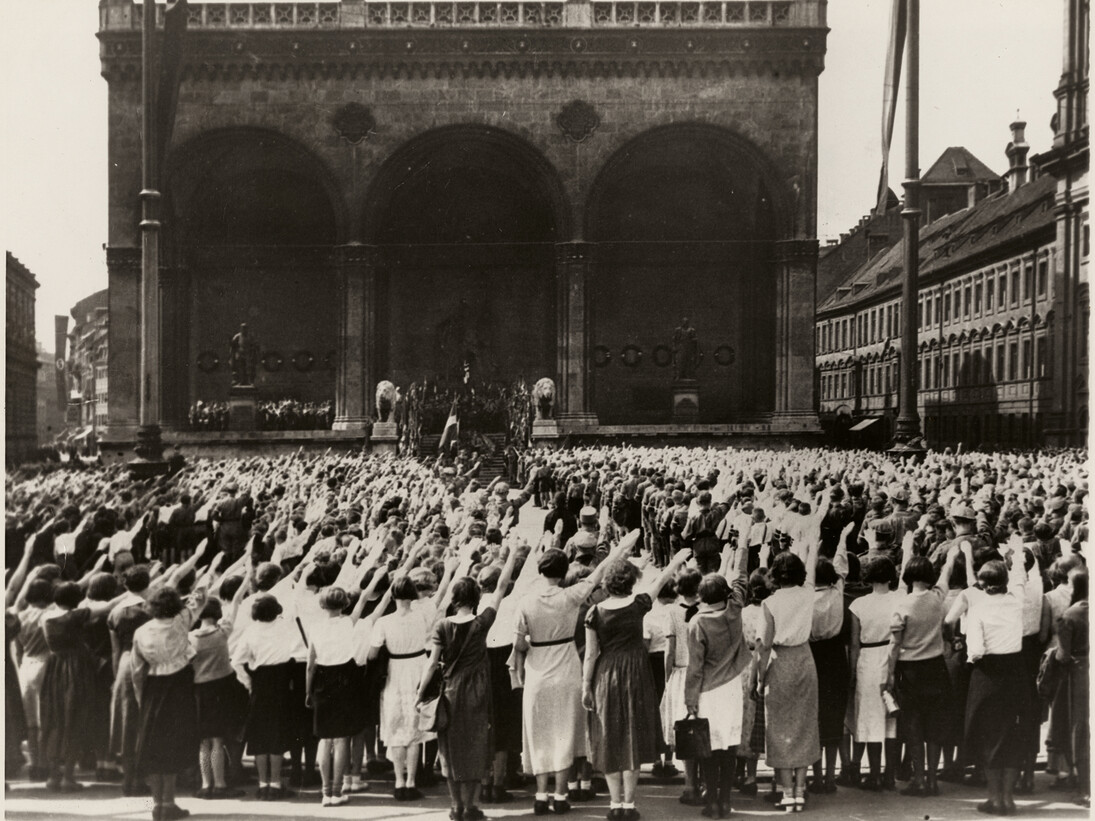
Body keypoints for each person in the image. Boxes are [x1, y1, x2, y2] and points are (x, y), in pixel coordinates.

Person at [514, 531, 637, 816]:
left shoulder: (526, 601)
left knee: (539, 732)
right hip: (566, 665)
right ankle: (560, 794)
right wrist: (621, 548)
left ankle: (541, 794)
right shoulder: (570, 596)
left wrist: (532, 645)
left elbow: (518, 643)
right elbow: (599, 573)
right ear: (563, 571)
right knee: (564, 731)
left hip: (537, 669)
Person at [584, 549, 691, 820]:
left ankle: (614, 803)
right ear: (631, 581)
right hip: (635, 672)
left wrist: (586, 685)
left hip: (607, 673)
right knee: (631, 735)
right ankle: (629, 804)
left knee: (610, 736)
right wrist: (676, 560)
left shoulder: (594, 612)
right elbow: (661, 580)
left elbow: (591, 654)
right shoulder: (639, 604)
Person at [417, 543, 518, 821]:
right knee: (476, 747)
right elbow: (501, 588)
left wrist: (420, 694)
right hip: (478, 691)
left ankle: (456, 806)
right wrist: (512, 555)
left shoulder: (442, 626)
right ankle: (471, 806)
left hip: (450, 690)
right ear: (476, 597)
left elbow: (431, 664)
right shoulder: (481, 623)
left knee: (450, 749)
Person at [131, 569, 213, 821]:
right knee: (174, 745)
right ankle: (169, 802)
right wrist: (206, 576)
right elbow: (201, 598)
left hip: (153, 687)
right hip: (178, 686)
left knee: (153, 747)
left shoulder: (141, 631)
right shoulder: (181, 621)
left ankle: (157, 804)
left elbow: (137, 670)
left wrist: (141, 697)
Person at [961, 535, 1032, 816]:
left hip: (988, 673)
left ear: (981, 584)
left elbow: (976, 649)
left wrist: (970, 658)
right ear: (1004, 582)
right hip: (1015, 671)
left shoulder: (978, 609)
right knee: (1013, 735)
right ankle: (1008, 798)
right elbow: (1020, 579)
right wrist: (1015, 553)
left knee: (989, 735)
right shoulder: (1016, 602)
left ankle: (994, 798)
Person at [885, 539, 960, 797]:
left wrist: (889, 674)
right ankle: (932, 779)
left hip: (910, 671)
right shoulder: (938, 598)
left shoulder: (902, 605)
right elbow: (946, 573)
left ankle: (918, 779)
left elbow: (895, 644)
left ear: (907, 576)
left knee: (914, 726)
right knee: (935, 726)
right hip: (936, 667)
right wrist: (952, 555)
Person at [40, 580, 126, 791]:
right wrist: (131, 593)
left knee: (55, 720)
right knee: (74, 719)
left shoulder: (46, 616)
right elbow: (108, 606)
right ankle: (68, 777)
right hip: (75, 669)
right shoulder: (75, 616)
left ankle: (53, 776)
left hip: (54, 668)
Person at [683, 545, 750, 819]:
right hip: (733, 686)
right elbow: (741, 579)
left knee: (708, 748)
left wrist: (690, 700)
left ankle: (711, 802)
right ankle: (725, 800)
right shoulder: (735, 609)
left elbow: (695, 667)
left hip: (708, 691)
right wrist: (741, 546)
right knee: (730, 746)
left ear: (701, 596)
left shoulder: (697, 623)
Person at [757, 549, 822, 812]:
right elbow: (812, 565)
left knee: (779, 727)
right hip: (805, 659)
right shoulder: (808, 594)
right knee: (805, 724)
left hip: (780, 661)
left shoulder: (769, 603)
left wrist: (759, 679)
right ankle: (800, 790)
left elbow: (764, 644)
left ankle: (786, 792)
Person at [231, 593, 297, 801]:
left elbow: (236, 661)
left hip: (260, 682)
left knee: (259, 735)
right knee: (277, 733)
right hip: (281, 682)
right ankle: (276, 784)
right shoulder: (285, 627)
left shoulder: (251, 631)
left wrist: (248, 682)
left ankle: (262, 784)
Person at [847, 554, 903, 792]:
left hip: (867, 659)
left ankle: (874, 774)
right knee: (890, 719)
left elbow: (855, 643)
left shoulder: (858, 605)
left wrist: (852, 673)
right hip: (892, 655)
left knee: (870, 719)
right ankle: (890, 774)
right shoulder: (900, 599)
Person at [189, 596, 247, 800]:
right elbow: (236, 602)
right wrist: (246, 580)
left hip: (198, 690)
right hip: (220, 690)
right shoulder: (222, 633)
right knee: (218, 740)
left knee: (203, 742)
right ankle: (220, 784)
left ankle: (206, 784)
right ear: (218, 614)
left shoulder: (189, 638)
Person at [661, 566, 703, 806]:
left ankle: (689, 784)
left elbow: (669, 650)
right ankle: (704, 782)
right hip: (702, 674)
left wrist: (668, 678)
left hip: (681, 672)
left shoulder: (672, 612)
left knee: (686, 730)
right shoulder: (706, 609)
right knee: (703, 727)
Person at [1055, 567, 1089, 808]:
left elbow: (1062, 655)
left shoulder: (1070, 614)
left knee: (1079, 729)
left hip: (1077, 674)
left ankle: (1085, 788)